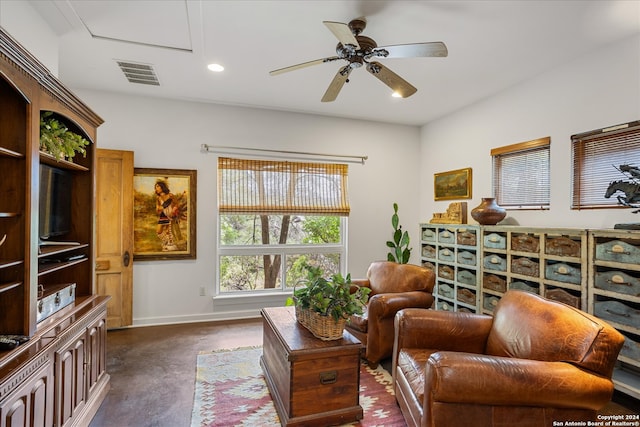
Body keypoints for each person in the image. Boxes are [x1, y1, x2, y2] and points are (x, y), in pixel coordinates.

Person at [155, 180, 179, 251]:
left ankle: (170, 245)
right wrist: (161, 207)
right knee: (158, 231)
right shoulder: (158, 198)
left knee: (169, 231)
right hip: (163, 214)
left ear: (162, 187)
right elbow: (157, 209)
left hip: (171, 214)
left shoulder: (170, 195)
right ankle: (165, 241)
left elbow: (177, 204)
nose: (156, 188)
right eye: (155, 187)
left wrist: (174, 209)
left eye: (157, 186)